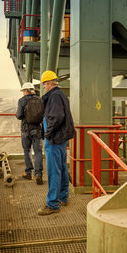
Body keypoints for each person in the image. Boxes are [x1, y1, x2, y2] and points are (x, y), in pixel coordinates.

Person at [37, 70, 75, 216]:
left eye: (45, 84)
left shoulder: (54, 96)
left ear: (50, 83)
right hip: (60, 138)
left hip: (54, 139)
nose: (44, 87)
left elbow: (56, 117)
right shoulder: (61, 95)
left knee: (54, 171)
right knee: (61, 167)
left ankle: (52, 204)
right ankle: (63, 197)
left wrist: (48, 134)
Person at [15, 82, 44, 185]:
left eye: (23, 91)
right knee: (38, 152)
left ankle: (28, 172)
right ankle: (38, 174)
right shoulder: (40, 99)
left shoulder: (22, 101)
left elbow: (19, 115)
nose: (23, 93)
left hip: (26, 130)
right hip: (37, 130)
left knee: (27, 151)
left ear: (26, 90)